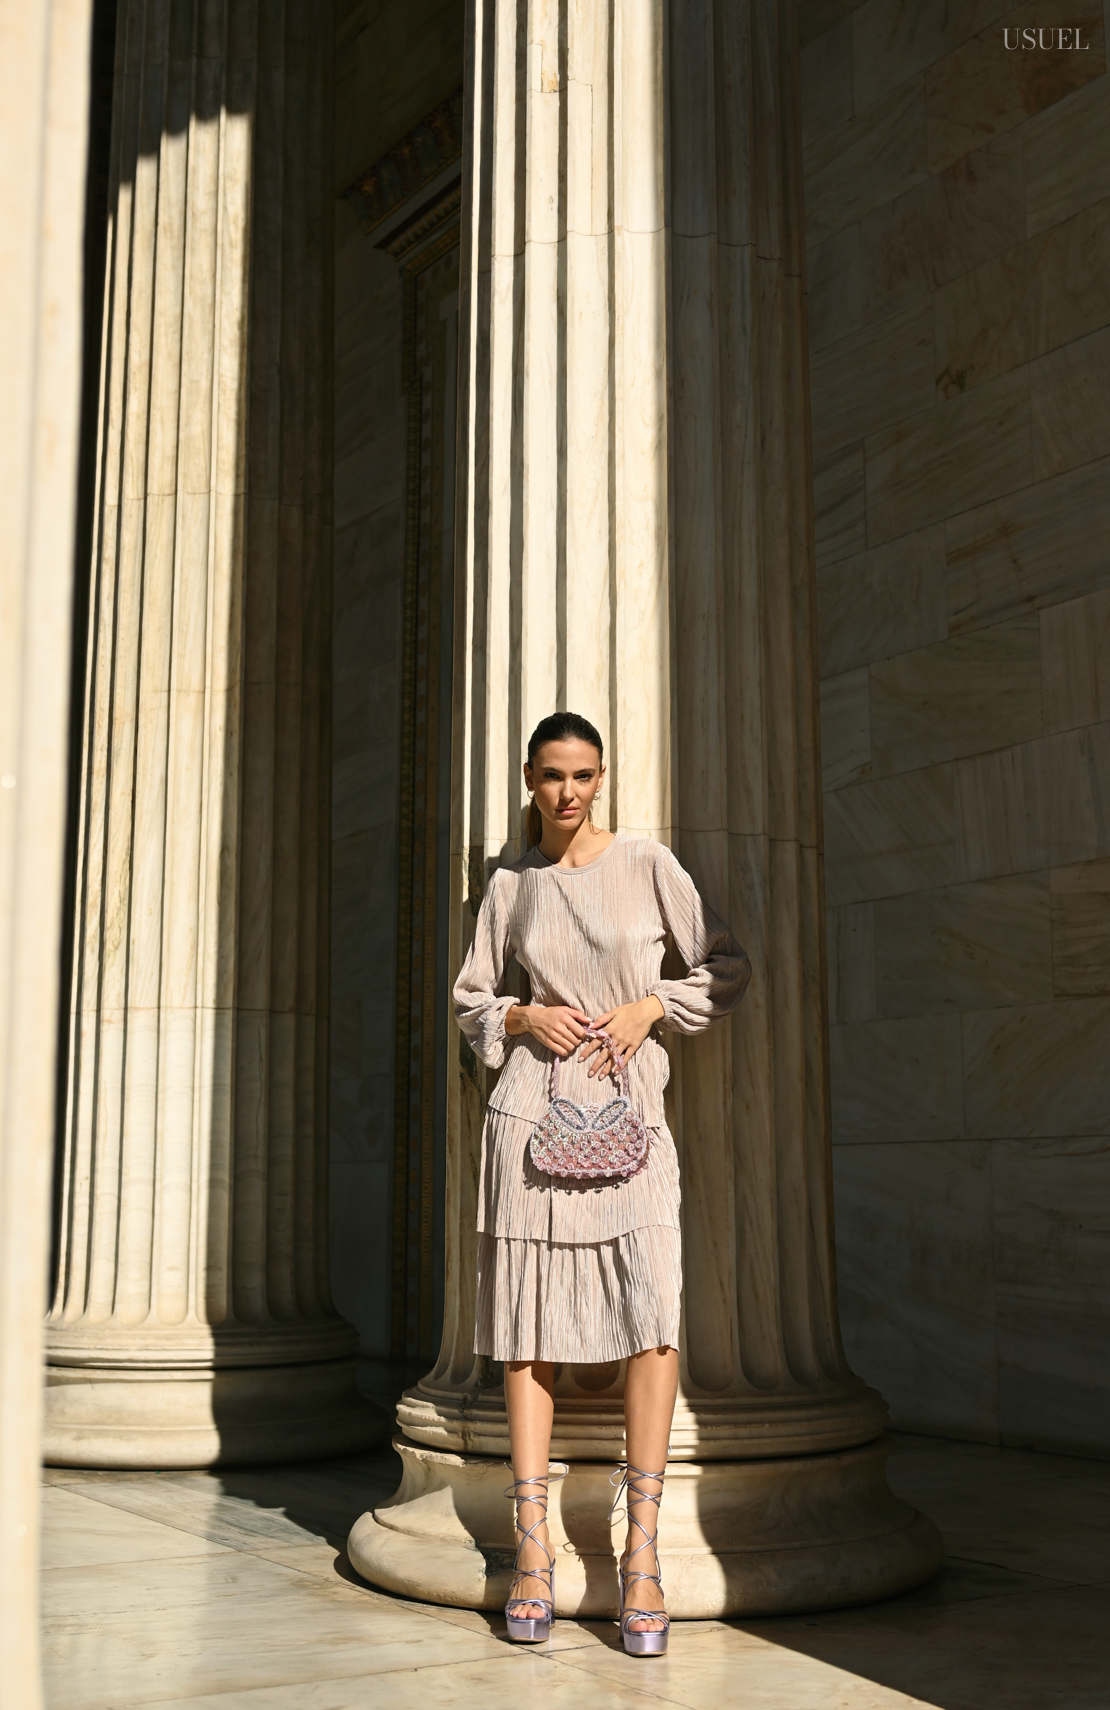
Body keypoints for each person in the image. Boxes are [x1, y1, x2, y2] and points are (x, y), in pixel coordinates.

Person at [453, 710, 750, 1657]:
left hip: (633, 1116)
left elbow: (725, 966)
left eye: (583, 776)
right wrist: (521, 1016)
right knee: (527, 1329)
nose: (568, 793)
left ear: (603, 777)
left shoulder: (650, 865)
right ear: (530, 781)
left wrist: (649, 1003)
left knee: (652, 1315)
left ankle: (643, 1555)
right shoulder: (511, 884)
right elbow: (469, 998)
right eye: (551, 777)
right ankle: (533, 1550)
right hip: (533, 1118)